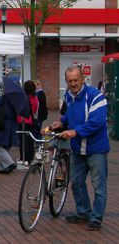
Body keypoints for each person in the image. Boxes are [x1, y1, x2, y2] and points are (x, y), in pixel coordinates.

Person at [52, 66, 109, 231]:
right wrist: (62, 122)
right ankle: (83, 212)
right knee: (76, 182)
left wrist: (75, 131)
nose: (73, 84)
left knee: (99, 185)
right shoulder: (69, 96)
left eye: (76, 80)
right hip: (77, 149)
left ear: (83, 79)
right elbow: (70, 113)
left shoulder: (95, 96)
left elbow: (96, 122)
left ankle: (96, 218)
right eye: (70, 81)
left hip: (96, 149)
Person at [0, 80, 29, 175]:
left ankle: (10, 163)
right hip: (13, 124)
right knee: (6, 146)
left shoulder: (4, 97)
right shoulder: (17, 101)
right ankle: (4, 168)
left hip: (3, 124)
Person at [18, 80, 39, 164]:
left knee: (23, 141)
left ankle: (24, 158)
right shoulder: (35, 98)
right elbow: (35, 110)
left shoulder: (23, 98)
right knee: (30, 141)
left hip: (22, 120)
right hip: (31, 121)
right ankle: (30, 158)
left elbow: (19, 109)